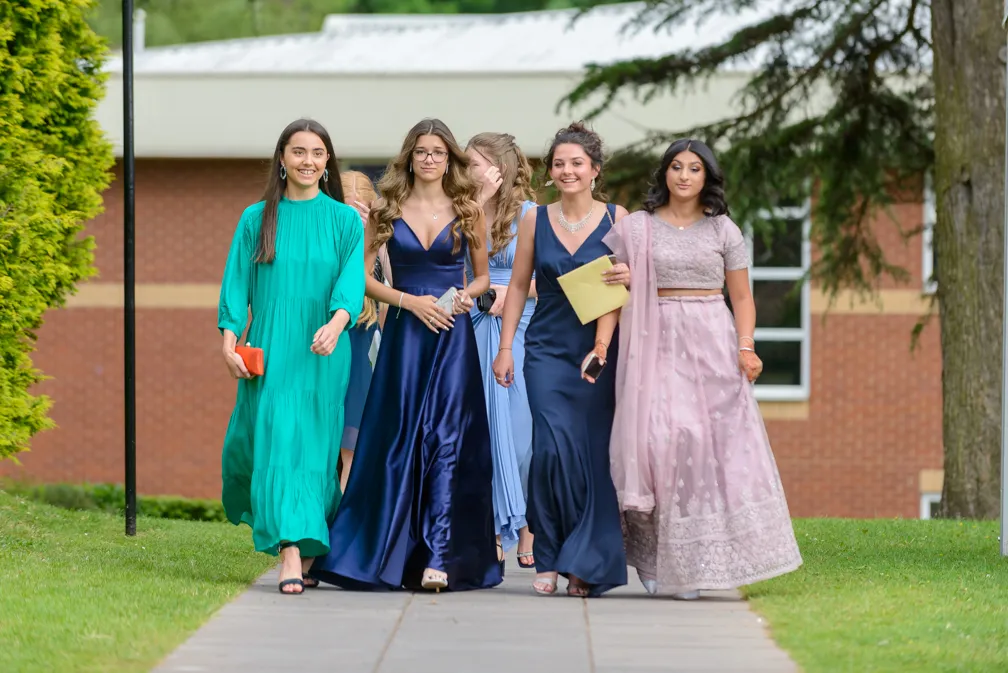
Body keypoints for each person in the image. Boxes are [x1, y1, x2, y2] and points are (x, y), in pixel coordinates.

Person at [595, 138, 803, 598]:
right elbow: (610, 285)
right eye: (675, 167)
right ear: (664, 174)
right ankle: (653, 560)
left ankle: (693, 563)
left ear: (707, 176)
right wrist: (628, 276)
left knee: (701, 446)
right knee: (659, 442)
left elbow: (743, 298)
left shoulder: (723, 230)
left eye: (693, 168)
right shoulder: (637, 228)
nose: (684, 176)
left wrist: (746, 347)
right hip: (653, 340)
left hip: (711, 340)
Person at [311, 118, 503, 592]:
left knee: (447, 437)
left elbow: (480, 277)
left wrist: (462, 296)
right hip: (404, 332)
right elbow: (363, 279)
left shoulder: (468, 209)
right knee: (396, 438)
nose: (430, 159)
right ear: (409, 157)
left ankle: (439, 556)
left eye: (438, 152)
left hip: (451, 332)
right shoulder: (387, 209)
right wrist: (406, 301)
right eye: (422, 152)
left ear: (450, 158)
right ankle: (385, 552)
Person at [218, 118, 365, 595]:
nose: (308, 161)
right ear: (281, 159)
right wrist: (228, 339)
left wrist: (338, 322)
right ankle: (289, 550)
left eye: (317, 153)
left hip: (323, 348)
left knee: (317, 450)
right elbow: (236, 286)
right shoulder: (254, 218)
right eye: (298, 152)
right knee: (278, 441)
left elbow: (352, 284)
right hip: (273, 347)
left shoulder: (344, 220)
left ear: (328, 162)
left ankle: (310, 545)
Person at [492, 122, 629, 597]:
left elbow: (619, 290)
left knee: (590, 455)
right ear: (550, 171)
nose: (567, 170)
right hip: (545, 349)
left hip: (597, 349)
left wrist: (602, 347)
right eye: (559, 163)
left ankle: (584, 562)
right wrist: (506, 346)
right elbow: (516, 285)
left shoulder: (618, 219)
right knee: (549, 451)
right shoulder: (535, 219)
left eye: (577, 163)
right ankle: (548, 553)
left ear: (595, 170)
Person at [464, 132, 538, 568]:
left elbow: (548, 282)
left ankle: (526, 526)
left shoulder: (530, 216)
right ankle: (490, 530)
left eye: (473, 164)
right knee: (482, 432)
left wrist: (508, 292)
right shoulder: (460, 213)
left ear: (500, 168)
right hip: (470, 328)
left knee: (522, 436)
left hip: (522, 328)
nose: (467, 171)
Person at [337, 170, 391, 494]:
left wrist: (373, 236)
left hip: (366, 348)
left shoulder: (381, 244)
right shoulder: (327, 239)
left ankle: (343, 533)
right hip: (332, 344)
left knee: (353, 451)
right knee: (337, 451)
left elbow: (392, 293)